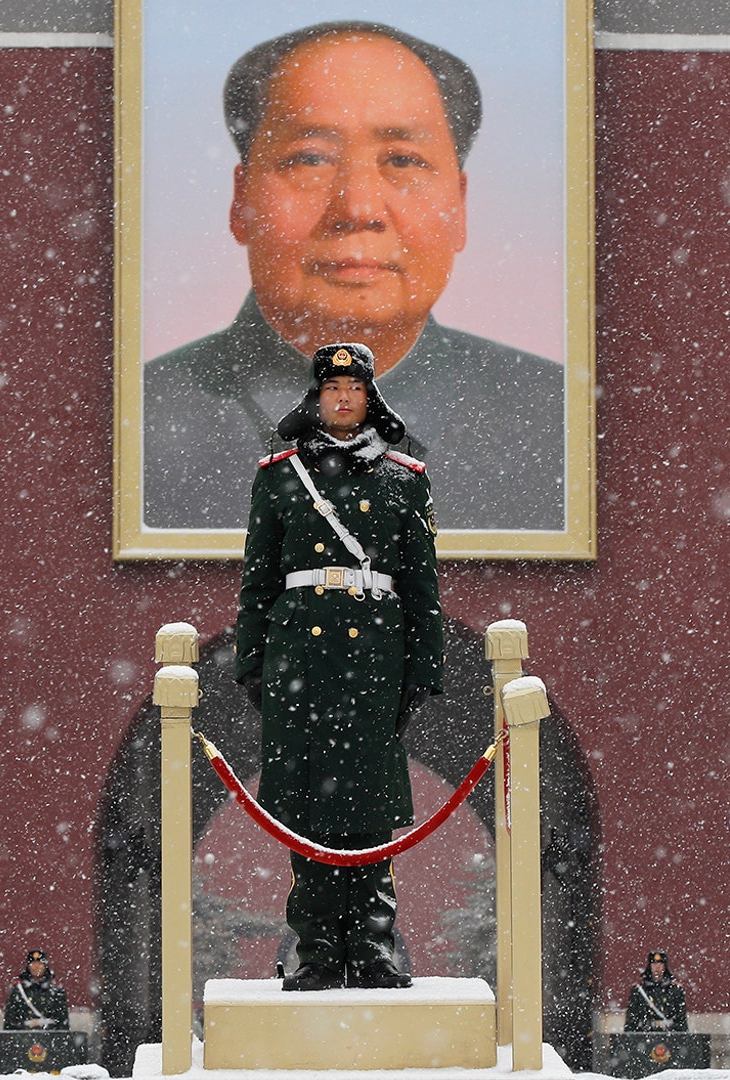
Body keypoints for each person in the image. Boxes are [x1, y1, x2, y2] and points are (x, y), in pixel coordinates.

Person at [142, 21, 564, 533]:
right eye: (310, 159)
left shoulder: (564, 425)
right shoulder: (131, 425)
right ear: (241, 200)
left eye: (404, 160)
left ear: (460, 203)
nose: (358, 208)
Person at [234, 341, 445, 990]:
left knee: (369, 809)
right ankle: (319, 953)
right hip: (301, 654)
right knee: (306, 813)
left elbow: (420, 585)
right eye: (332, 391)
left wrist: (422, 668)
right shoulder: (281, 474)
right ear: (317, 398)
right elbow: (258, 580)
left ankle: (375, 950)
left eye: (354, 391)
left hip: (371, 660)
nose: (344, 399)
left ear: (369, 397)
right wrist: (252, 663)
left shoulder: (405, 478)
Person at [3, 948, 70, 1030]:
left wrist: (46, 1025)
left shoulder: (56, 991)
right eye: (33, 963)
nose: (37, 966)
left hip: (50, 1036)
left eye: (40, 963)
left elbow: (62, 1021)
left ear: (45, 966)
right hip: (23, 1036)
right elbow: (10, 1020)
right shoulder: (18, 990)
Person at [624, 950, 688, 1033]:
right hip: (645, 1034)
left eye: (660, 964)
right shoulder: (639, 990)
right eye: (654, 963)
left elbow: (681, 1019)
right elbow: (631, 1019)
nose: (657, 967)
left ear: (665, 966)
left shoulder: (675, 990)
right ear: (649, 966)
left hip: (669, 1034)